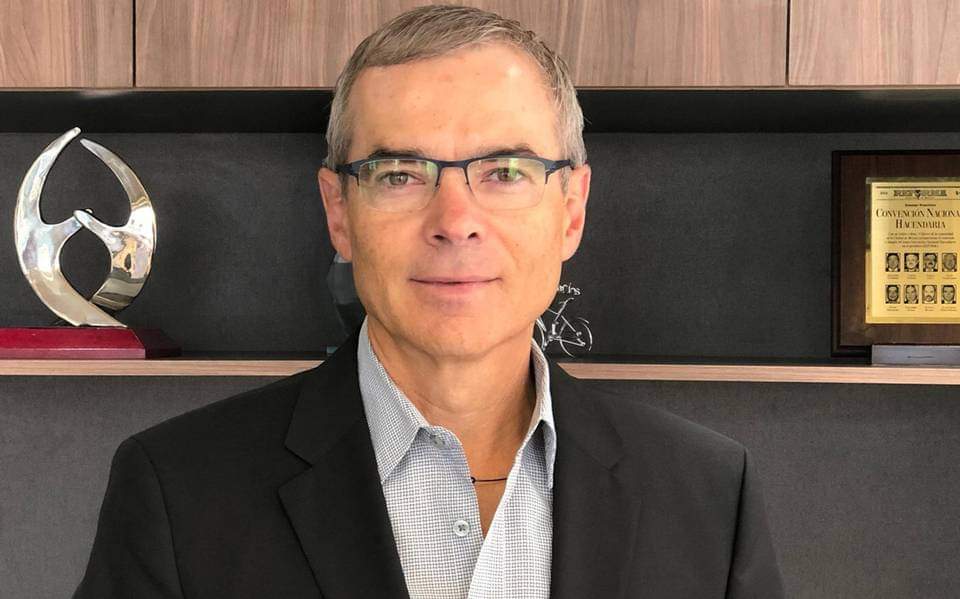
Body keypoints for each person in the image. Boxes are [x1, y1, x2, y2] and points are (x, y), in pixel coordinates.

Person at [73, 6, 783, 599]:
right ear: (339, 212)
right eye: (399, 174)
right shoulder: (178, 491)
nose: (455, 220)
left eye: (506, 171)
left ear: (571, 211)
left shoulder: (708, 496)